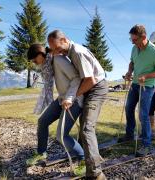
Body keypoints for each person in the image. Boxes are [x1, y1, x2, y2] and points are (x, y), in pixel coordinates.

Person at [47, 30, 108, 180]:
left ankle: (96, 173)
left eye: (57, 48)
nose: (56, 52)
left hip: (96, 88)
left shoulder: (77, 53)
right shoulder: (69, 53)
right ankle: (91, 157)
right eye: (53, 50)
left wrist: (72, 96)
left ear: (65, 39)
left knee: (87, 128)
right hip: (89, 88)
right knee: (84, 127)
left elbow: (90, 81)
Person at [26, 44, 86, 176]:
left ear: (41, 55)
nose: (35, 64)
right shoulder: (48, 64)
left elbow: (76, 78)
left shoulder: (58, 60)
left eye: (35, 60)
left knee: (61, 136)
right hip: (62, 99)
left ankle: (84, 160)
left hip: (74, 100)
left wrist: (70, 98)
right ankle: (42, 153)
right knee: (42, 121)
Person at [118, 24, 155, 157]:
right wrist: (129, 72)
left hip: (148, 86)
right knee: (128, 108)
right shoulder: (135, 48)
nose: (132, 42)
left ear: (143, 37)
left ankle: (146, 144)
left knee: (143, 114)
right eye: (131, 40)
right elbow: (132, 62)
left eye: (134, 40)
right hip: (134, 84)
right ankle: (129, 135)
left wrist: (147, 76)